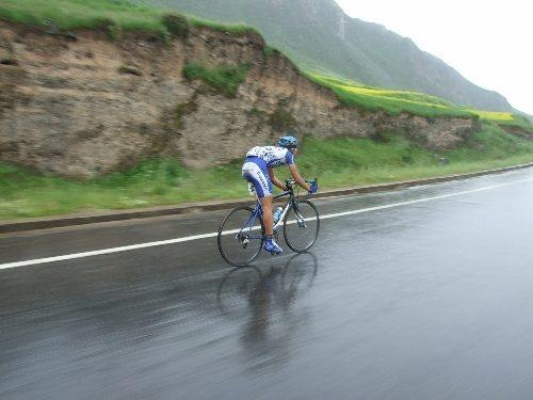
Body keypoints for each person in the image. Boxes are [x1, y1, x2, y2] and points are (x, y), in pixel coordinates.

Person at [241, 134, 319, 254]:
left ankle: (265, 228)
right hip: (256, 167)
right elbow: (297, 178)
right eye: (295, 148)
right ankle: (269, 242)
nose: (295, 151)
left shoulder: (271, 152)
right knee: (268, 203)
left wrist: (285, 188)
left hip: (247, 165)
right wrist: (309, 188)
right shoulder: (287, 154)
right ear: (291, 148)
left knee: (264, 203)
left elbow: (271, 177)